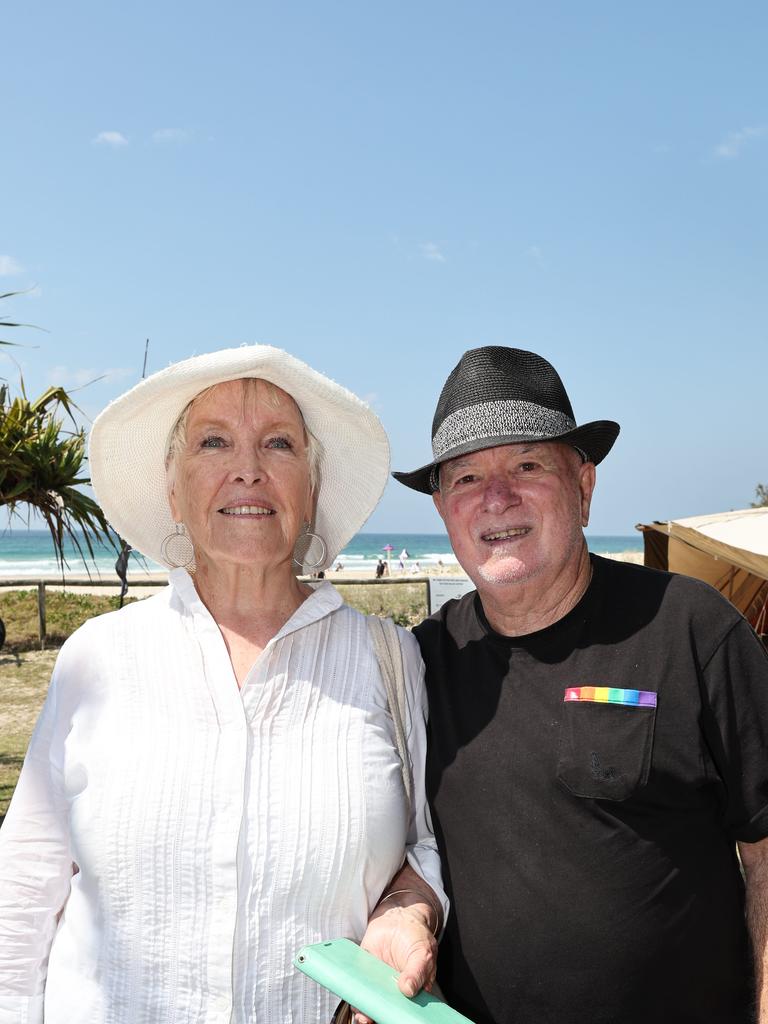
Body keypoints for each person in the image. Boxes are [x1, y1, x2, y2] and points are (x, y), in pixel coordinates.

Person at [0, 345, 445, 1023]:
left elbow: (428, 843)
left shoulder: (386, 657)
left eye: (279, 444)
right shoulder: (98, 657)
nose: (248, 469)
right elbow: (24, 891)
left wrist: (408, 909)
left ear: (311, 489)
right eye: (214, 442)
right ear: (173, 491)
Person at [393, 345, 768, 1024]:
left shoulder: (690, 629)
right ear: (445, 509)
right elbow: (411, 849)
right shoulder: (422, 661)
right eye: (467, 477)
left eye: (527, 465)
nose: (495, 498)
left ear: (585, 487)